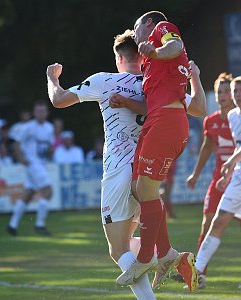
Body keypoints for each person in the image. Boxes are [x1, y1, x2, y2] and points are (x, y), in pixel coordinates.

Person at [47, 29, 157, 300]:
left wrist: (52, 78)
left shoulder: (105, 80)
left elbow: (58, 100)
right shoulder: (155, 83)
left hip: (119, 171)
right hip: (149, 169)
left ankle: (162, 259)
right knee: (129, 243)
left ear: (119, 57)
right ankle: (160, 255)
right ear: (141, 57)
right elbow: (198, 108)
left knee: (117, 249)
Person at [116, 11, 199, 291]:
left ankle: (145, 258)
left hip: (167, 122)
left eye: (136, 26)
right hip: (158, 120)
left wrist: (156, 49)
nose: (135, 31)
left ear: (148, 23)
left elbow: (175, 45)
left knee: (147, 191)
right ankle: (166, 255)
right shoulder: (149, 63)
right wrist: (127, 103)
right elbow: (151, 104)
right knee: (140, 189)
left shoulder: (161, 29)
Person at [184, 72, 235, 287]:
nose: (222, 95)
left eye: (226, 91)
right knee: (207, 226)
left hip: (238, 182)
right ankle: (200, 275)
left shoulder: (238, 119)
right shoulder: (211, 121)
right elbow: (206, 148)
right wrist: (195, 174)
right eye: (219, 92)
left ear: (234, 95)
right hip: (218, 182)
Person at [6, 101, 54, 236]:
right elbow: (16, 142)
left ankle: (12, 225)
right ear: (34, 113)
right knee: (48, 191)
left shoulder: (49, 128)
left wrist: (51, 151)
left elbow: (48, 147)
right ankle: (40, 225)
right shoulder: (28, 127)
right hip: (32, 164)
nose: (41, 114)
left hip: (41, 163)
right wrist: (21, 157)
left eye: (43, 111)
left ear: (47, 113)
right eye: (38, 111)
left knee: (28, 193)